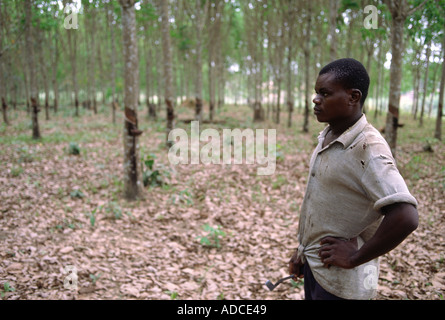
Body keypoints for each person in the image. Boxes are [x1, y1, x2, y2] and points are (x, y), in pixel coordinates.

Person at [288, 58, 418, 300]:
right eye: (317, 92)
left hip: (343, 286)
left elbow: (405, 216)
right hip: (317, 270)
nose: (316, 99)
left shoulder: (368, 148)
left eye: (325, 93)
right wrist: (302, 252)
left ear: (353, 97)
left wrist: (354, 257)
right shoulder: (329, 134)